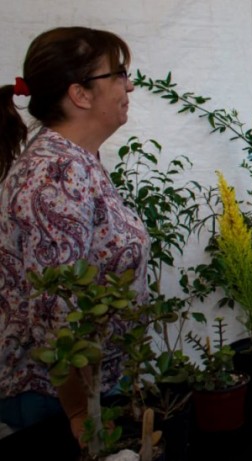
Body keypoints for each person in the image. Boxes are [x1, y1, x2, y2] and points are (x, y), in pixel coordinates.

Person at [0, 27, 150, 442]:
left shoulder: (74, 160)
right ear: (80, 94)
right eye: (118, 74)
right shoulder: (56, 174)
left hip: (88, 387)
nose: (129, 86)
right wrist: (83, 416)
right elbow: (55, 311)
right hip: (58, 401)